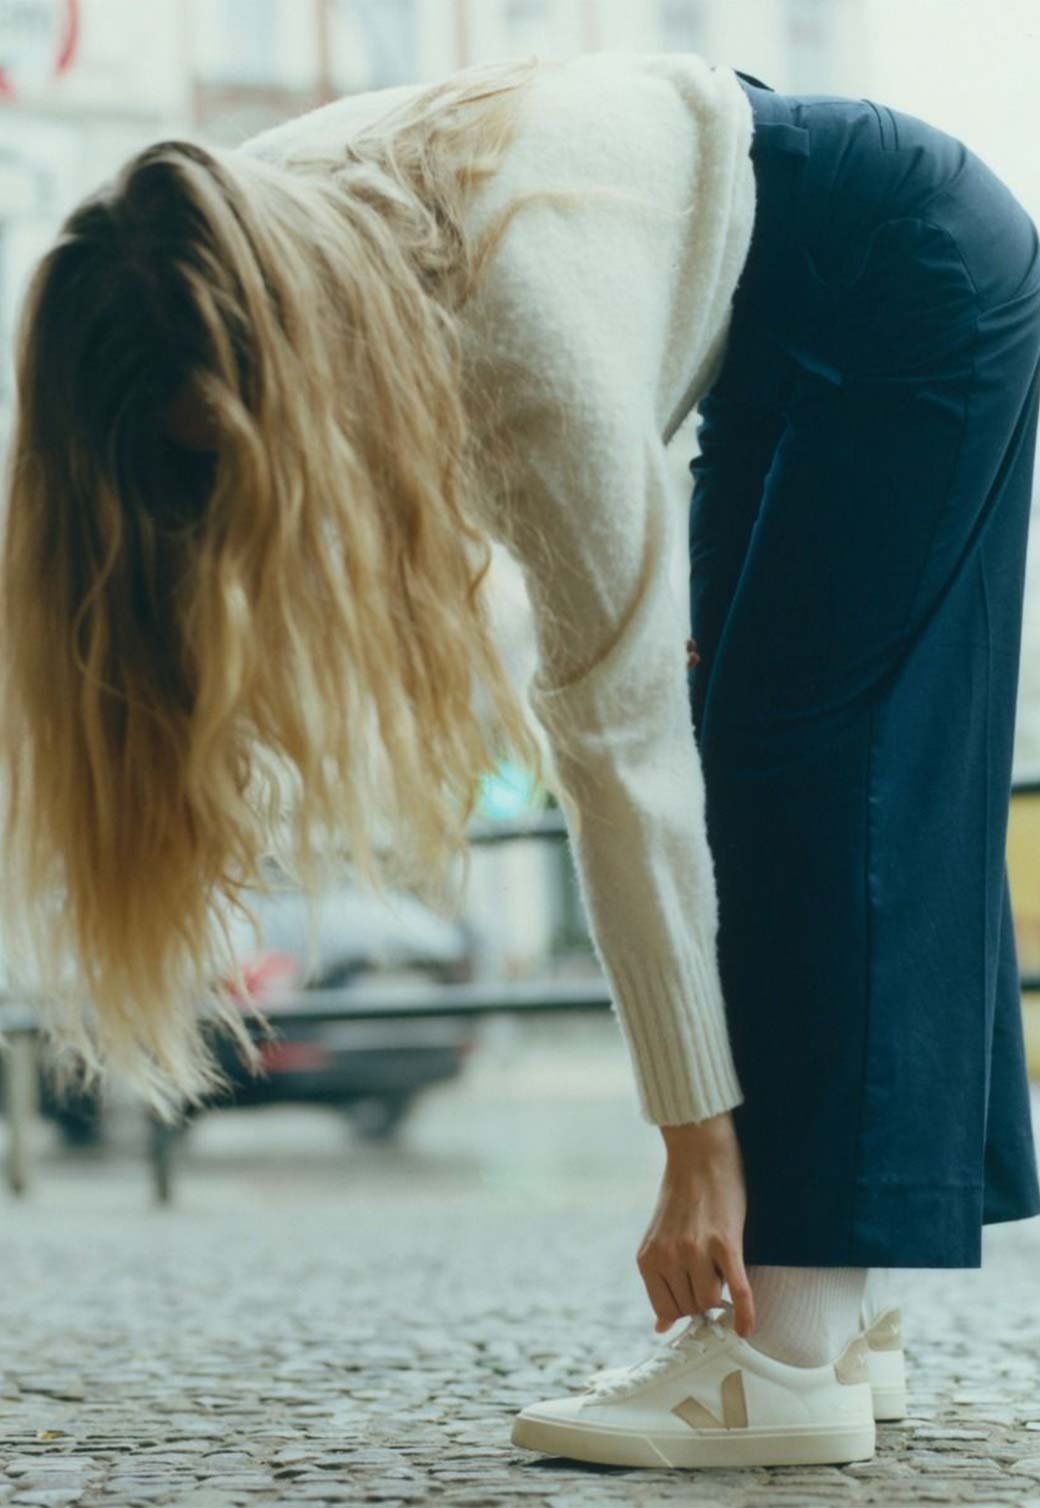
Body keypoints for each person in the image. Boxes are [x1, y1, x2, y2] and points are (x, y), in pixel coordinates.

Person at [3, 48, 1039, 1471]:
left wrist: (696, 1144)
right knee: (771, 753)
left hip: (912, 265)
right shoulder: (212, 251)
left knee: (811, 768)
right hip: (774, 294)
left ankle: (786, 1358)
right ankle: (836, 1318)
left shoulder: (512, 333)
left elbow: (619, 752)